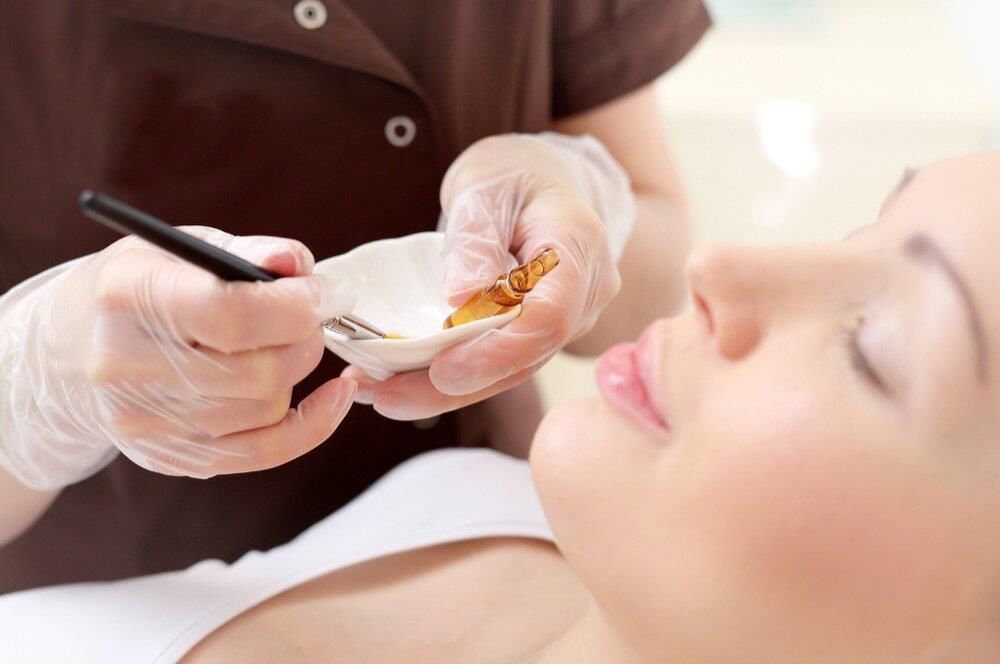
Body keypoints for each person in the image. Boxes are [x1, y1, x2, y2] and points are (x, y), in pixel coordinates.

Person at [4, 150, 998, 663]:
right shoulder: (464, 494)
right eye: (855, 228)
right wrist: (32, 384)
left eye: (873, 347)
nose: (716, 267)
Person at [0, 1, 710, 592]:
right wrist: (39, 378)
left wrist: (580, 194)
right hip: (130, 601)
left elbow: (653, 268)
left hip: (500, 544)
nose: (731, 282)